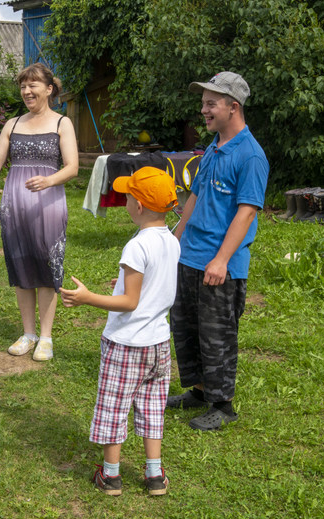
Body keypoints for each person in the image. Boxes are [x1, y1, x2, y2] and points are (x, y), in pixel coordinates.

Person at [61, 166, 180, 496]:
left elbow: (129, 302)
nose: (124, 200)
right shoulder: (171, 241)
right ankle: (154, 475)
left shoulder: (137, 246)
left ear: (138, 207)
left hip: (127, 344)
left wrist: (86, 298)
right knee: (152, 407)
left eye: (127, 196)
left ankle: (111, 476)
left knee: (114, 406)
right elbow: (154, 290)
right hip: (158, 344)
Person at [167, 71, 269, 431]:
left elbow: (246, 211)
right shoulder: (213, 147)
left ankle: (222, 404)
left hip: (220, 263)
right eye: (203, 103)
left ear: (233, 107)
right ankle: (198, 390)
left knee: (217, 334)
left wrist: (222, 259)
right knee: (187, 327)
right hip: (190, 255)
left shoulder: (251, 156)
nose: (204, 110)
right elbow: (194, 197)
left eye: (211, 103)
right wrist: (173, 241)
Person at [0, 62, 79, 362]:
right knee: (21, 268)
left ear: (48, 90)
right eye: (23, 85)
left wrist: (49, 180)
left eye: (32, 85)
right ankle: (28, 333)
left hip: (48, 205)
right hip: (14, 206)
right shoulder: (13, 124)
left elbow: (72, 167)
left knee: (46, 270)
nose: (26, 91)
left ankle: (46, 338)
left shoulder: (62, 124)